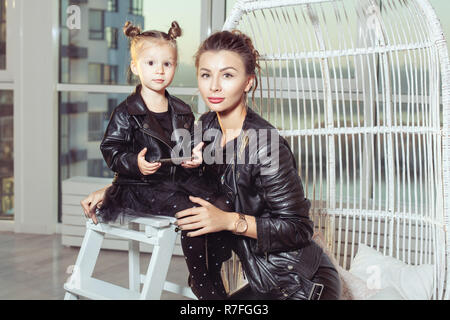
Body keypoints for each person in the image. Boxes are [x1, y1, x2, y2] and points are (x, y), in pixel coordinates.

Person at [82, 29, 341, 300]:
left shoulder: (266, 145)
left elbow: (298, 229)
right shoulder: (204, 126)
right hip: (265, 282)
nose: (214, 86)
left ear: (248, 82)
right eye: (206, 75)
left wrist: (228, 221)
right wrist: (117, 188)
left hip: (302, 282)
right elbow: (171, 170)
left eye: (227, 75)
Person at [92, 21, 233, 300]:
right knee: (189, 212)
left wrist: (195, 158)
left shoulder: (181, 109)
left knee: (220, 203)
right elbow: (111, 149)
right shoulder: (126, 112)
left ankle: (212, 270)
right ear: (135, 67)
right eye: (151, 63)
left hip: (177, 180)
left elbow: (190, 146)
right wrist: (135, 162)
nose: (159, 70)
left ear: (174, 67)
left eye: (167, 64)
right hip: (141, 186)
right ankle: (202, 281)